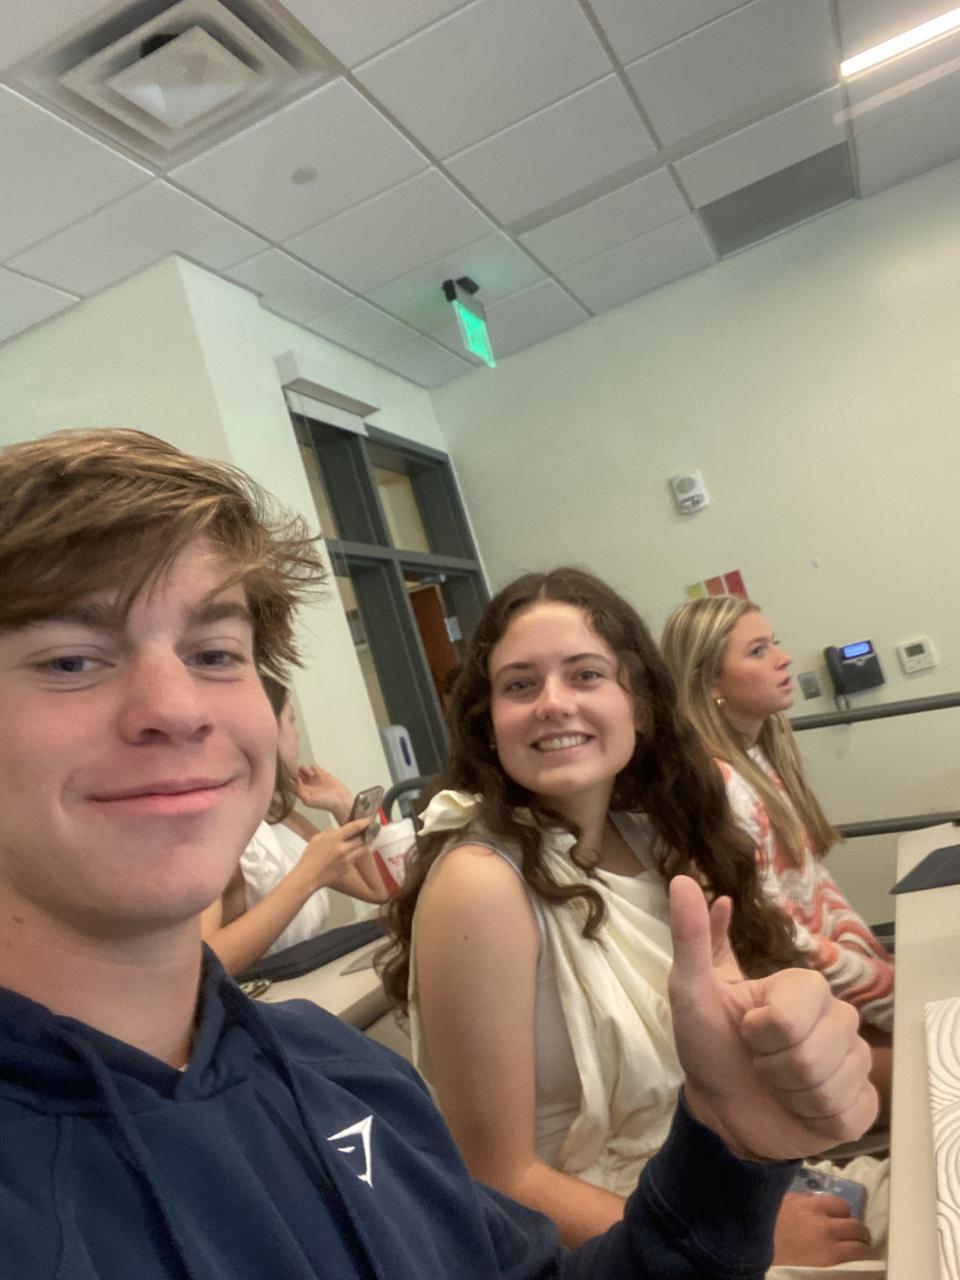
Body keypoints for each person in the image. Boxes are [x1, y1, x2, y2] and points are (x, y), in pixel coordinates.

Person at [0, 431, 876, 1280]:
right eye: (71, 660)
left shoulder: (342, 1074)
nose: (177, 708)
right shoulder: (479, 884)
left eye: (215, 653)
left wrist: (726, 1155)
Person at [381, 567, 880, 1271]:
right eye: (520, 686)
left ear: (639, 705)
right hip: (621, 1251)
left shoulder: (652, 841)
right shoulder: (480, 883)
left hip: (721, 1193)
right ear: (488, 725)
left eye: (585, 675)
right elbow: (497, 1181)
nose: (553, 703)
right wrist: (738, 1230)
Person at [660, 596, 894, 1115]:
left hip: (826, 994)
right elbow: (778, 934)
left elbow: (819, 899)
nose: (784, 659)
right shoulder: (720, 784)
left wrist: (878, 976)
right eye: (758, 651)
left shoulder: (757, 760)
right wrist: (884, 991)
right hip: (792, 1017)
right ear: (709, 682)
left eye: (775, 644)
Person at [201, 674, 387, 974]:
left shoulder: (282, 817)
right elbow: (203, 964)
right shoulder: (210, 832)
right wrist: (309, 876)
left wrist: (342, 805)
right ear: (267, 733)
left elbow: (375, 890)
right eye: (291, 721)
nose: (297, 735)